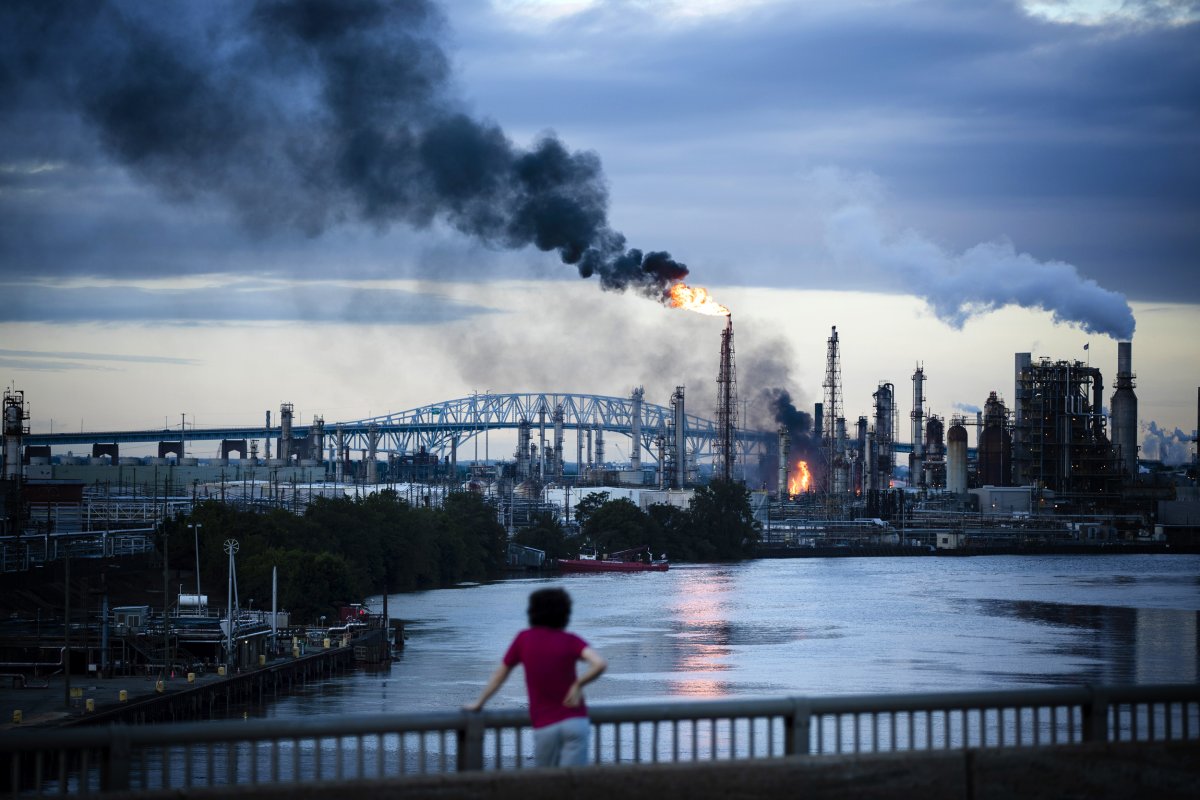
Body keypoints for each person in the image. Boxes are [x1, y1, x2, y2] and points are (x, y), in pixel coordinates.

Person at [464, 587, 606, 767]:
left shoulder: (524, 639)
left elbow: (499, 675)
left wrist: (479, 703)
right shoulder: (570, 640)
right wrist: (578, 684)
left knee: (547, 784)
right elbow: (599, 663)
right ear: (565, 613)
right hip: (575, 722)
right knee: (573, 784)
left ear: (533, 612)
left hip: (546, 725)